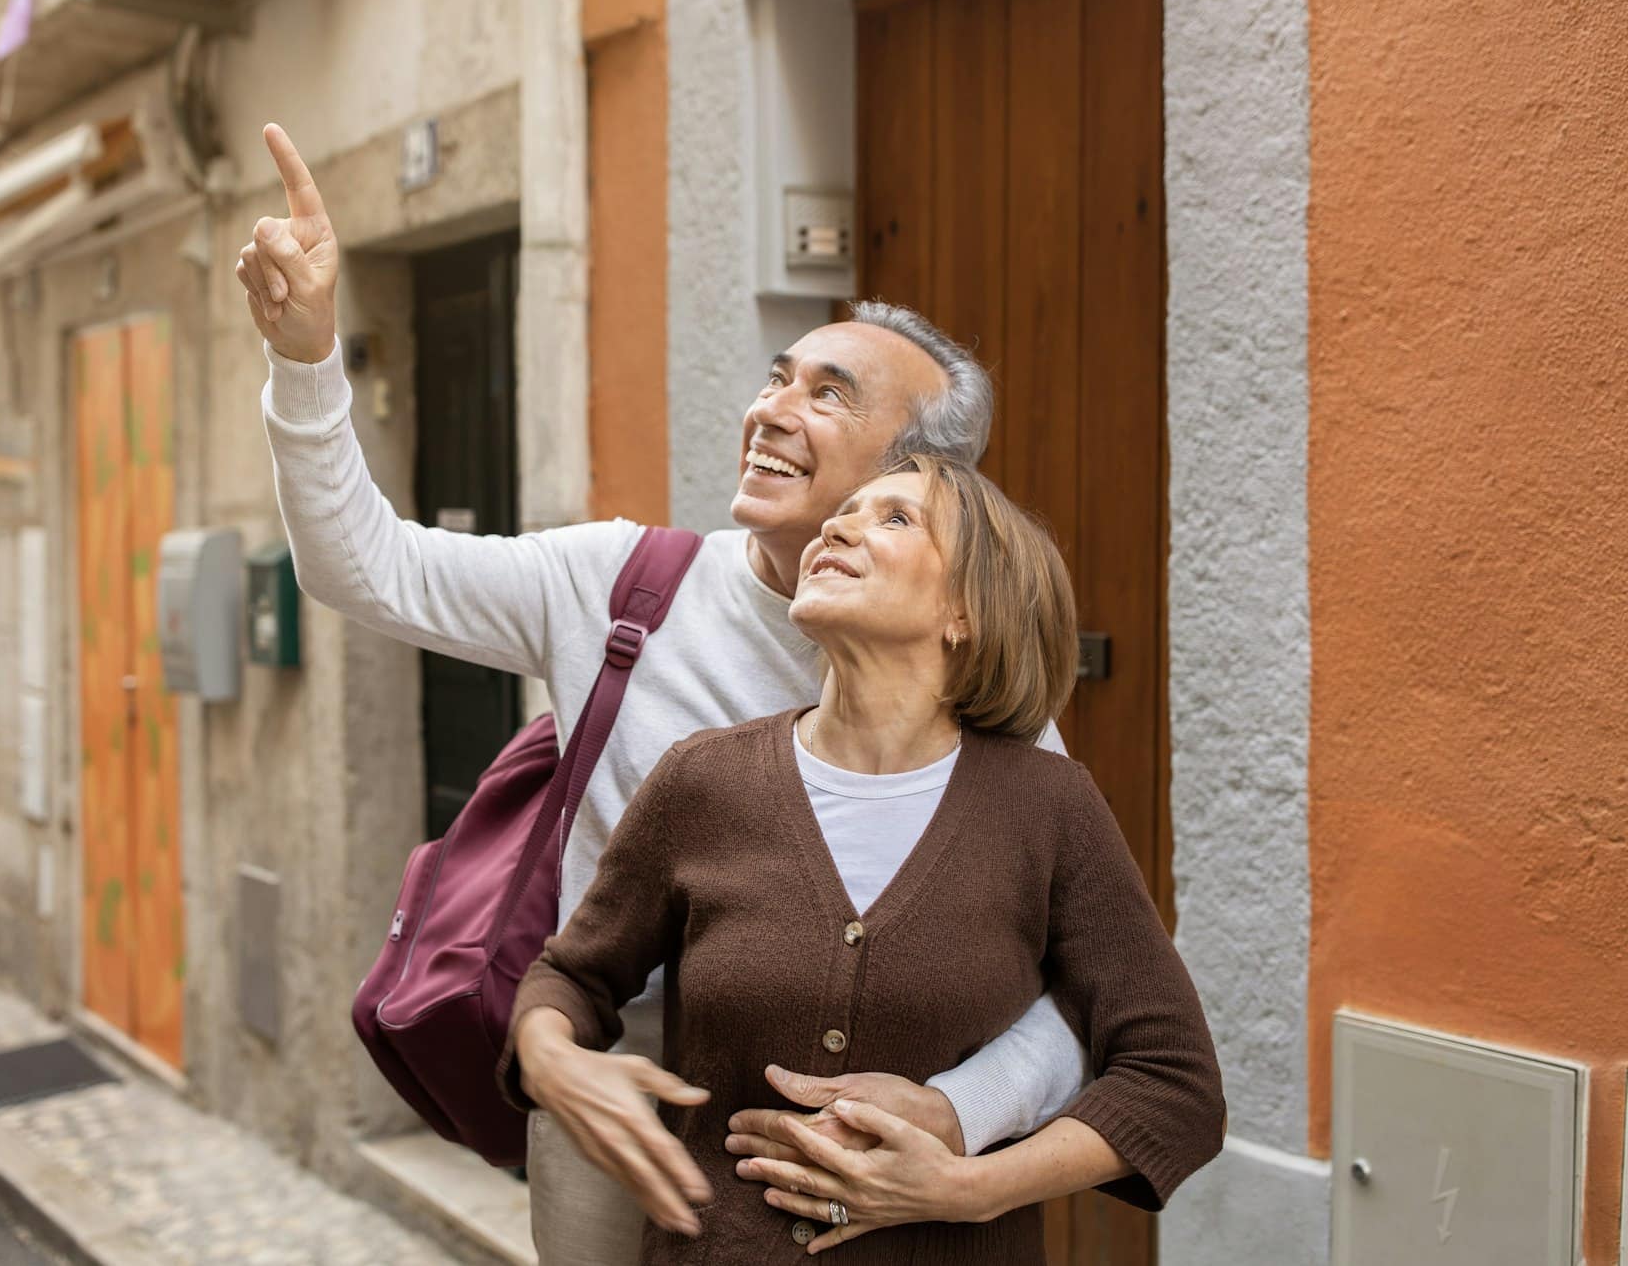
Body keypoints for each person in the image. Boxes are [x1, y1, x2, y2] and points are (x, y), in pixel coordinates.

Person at [238, 123, 1088, 1261]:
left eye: (828, 396)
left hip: (849, 1161)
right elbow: (365, 566)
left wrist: (958, 1117)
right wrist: (304, 360)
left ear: (918, 477)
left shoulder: (973, 680)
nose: (772, 407)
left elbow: (1084, 989)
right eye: (776, 376)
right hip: (615, 1110)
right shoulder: (620, 585)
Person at [501, 455, 1225, 1262]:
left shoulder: (1049, 807)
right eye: (844, 509)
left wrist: (969, 1187)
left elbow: (1175, 1079)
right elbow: (573, 976)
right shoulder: (702, 778)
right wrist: (550, 1053)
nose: (835, 526)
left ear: (965, 611)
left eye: (894, 518)